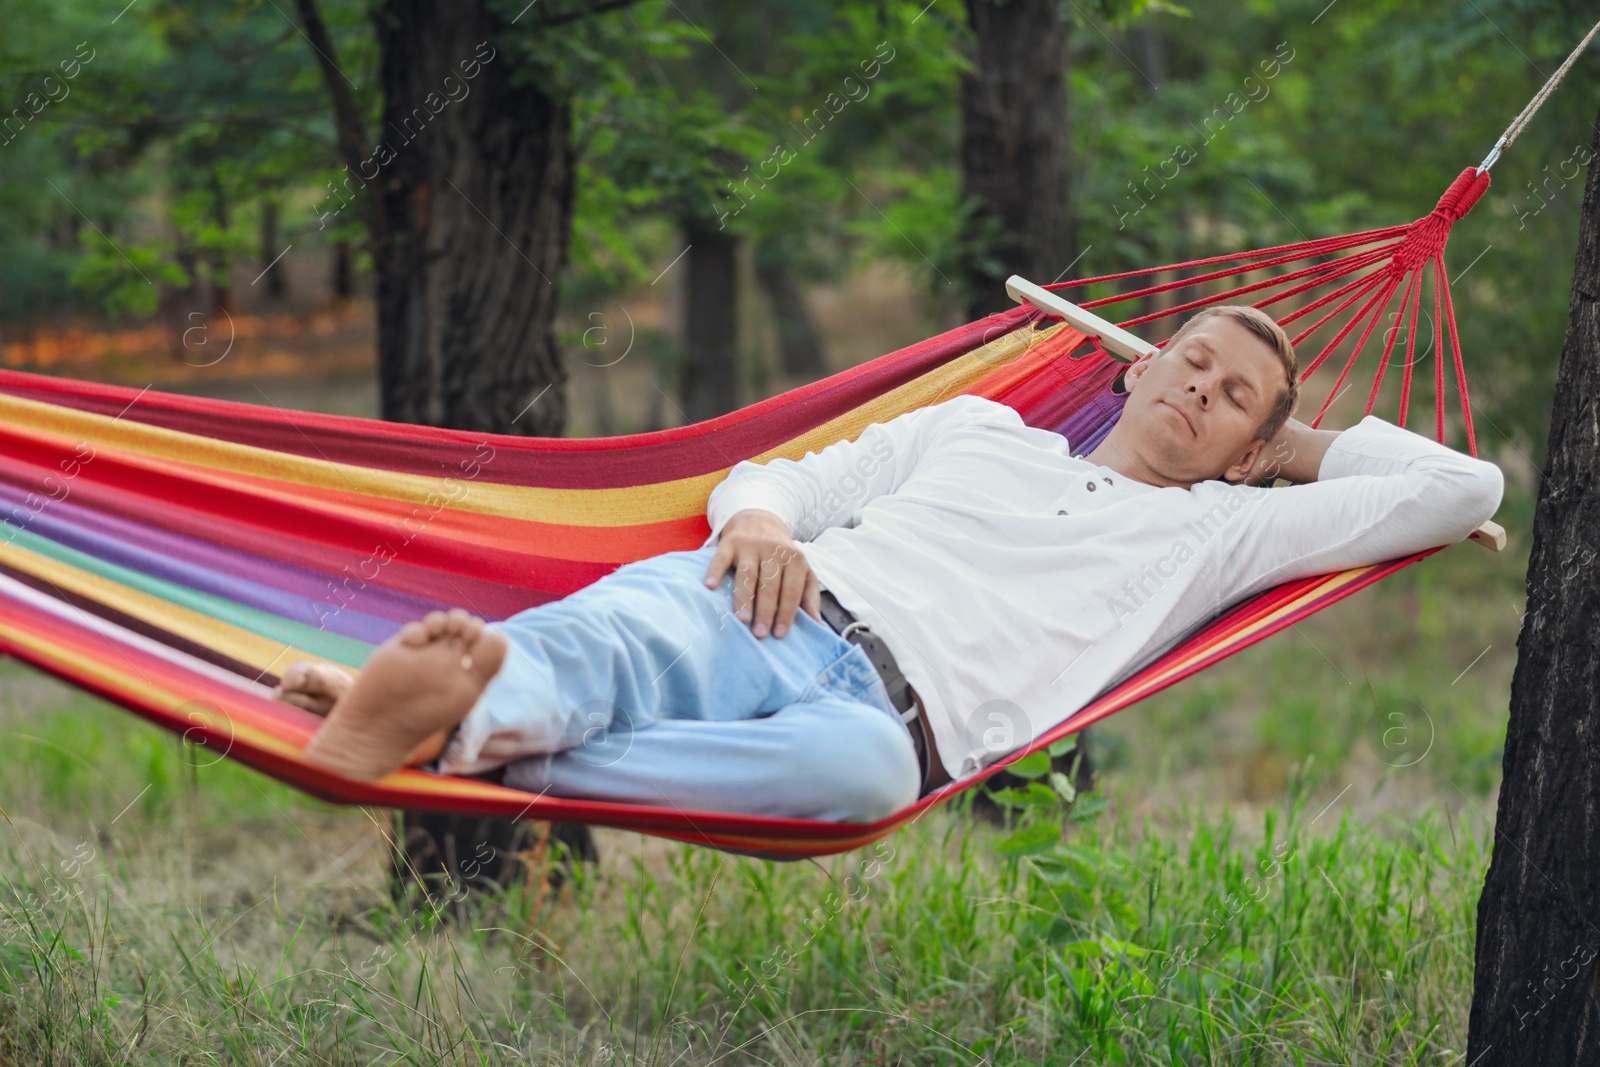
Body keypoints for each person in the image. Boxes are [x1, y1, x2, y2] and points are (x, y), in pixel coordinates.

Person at [276, 305, 1504, 823]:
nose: (1199, 385)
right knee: (643, 631)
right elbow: (787, 482)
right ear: (1133, 364)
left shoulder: (1220, 532)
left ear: (1253, 452)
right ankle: (465, 695)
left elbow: (1461, 490)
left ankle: (455, 722)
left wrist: (1298, 442)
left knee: (853, 777)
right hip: (785, 596)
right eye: (1188, 357)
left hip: (891, 718)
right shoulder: (976, 428)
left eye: (1235, 397)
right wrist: (755, 524)